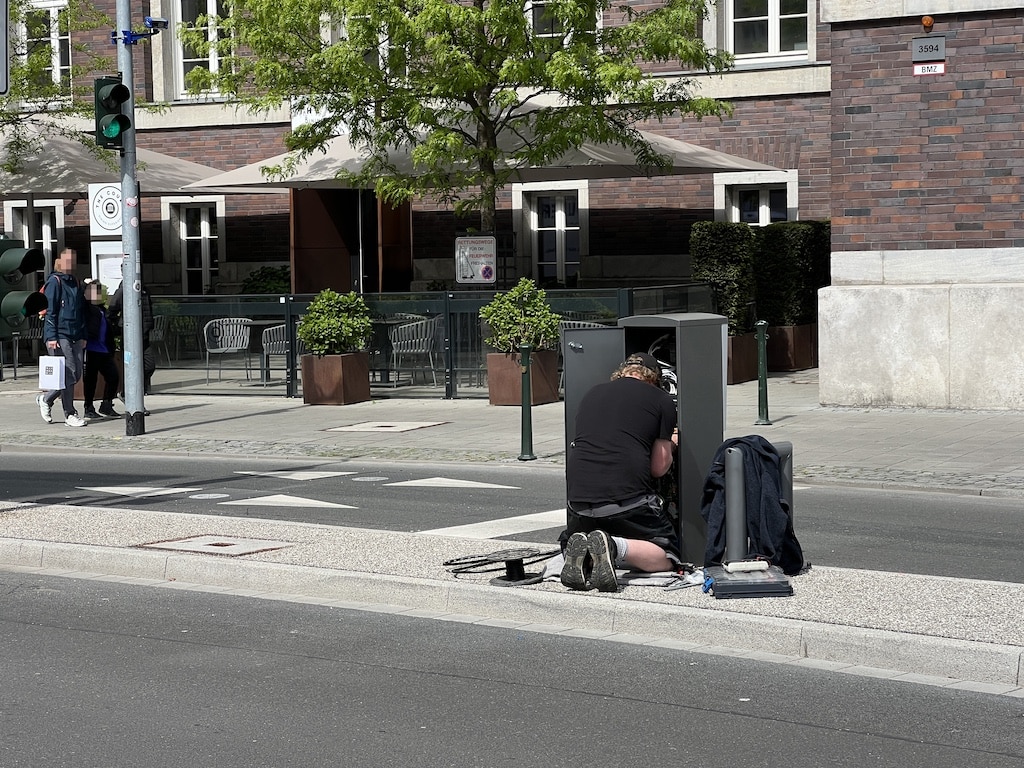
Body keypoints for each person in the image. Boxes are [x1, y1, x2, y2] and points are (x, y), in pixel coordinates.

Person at [559, 352, 680, 592]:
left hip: (579, 501)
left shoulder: (591, 394)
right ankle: (614, 547)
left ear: (621, 372)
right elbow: (658, 468)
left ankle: (584, 550)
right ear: (654, 378)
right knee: (667, 555)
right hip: (628, 502)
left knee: (589, 531)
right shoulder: (661, 399)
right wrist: (673, 441)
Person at [36, 248, 88, 427]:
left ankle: (46, 399)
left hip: (75, 334)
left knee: (76, 374)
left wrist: (83, 334)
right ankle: (70, 413)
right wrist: (51, 336)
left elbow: (81, 311)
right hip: (60, 334)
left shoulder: (75, 282)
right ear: (59, 261)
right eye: (66, 260)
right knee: (68, 373)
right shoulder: (54, 282)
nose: (70, 264)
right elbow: (50, 311)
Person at [82, 281, 121, 420]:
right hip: (91, 349)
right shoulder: (86, 308)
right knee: (90, 380)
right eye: (93, 291)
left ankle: (106, 404)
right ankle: (88, 407)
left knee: (113, 377)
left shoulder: (102, 310)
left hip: (104, 350)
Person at [108, 281, 155, 395]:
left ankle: (138, 387)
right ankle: (128, 392)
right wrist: (119, 327)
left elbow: (148, 310)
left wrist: (149, 327)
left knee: (149, 365)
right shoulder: (123, 290)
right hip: (129, 336)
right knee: (129, 365)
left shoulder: (144, 289)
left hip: (143, 336)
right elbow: (111, 311)